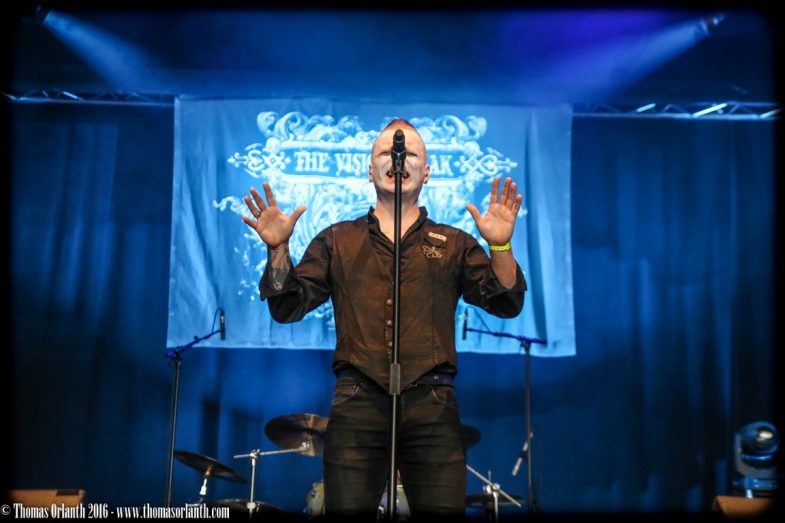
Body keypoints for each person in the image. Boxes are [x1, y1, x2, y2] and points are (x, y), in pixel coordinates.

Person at [242, 118, 526, 520]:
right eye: (386, 153)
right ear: (370, 170)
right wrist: (278, 250)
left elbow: (506, 302)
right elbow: (287, 306)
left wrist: (500, 245)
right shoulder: (338, 239)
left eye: (411, 154)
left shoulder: (453, 243)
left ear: (426, 172)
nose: (398, 159)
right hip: (358, 400)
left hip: (432, 402)